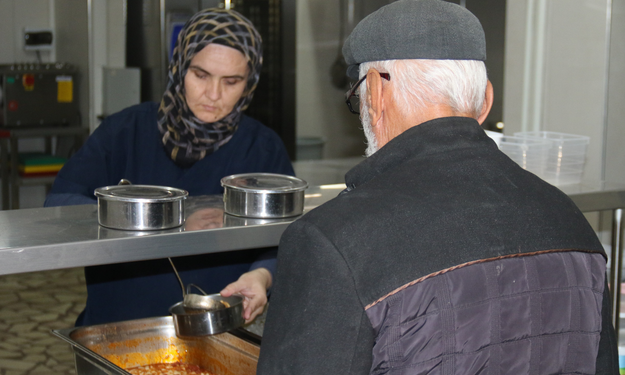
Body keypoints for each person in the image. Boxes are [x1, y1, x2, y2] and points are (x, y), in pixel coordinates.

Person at [257, 1, 619, 374]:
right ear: (485, 101)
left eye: (359, 96)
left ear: (377, 95)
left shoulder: (331, 241)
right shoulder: (571, 221)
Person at [44, 8, 293, 327]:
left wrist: (262, 275)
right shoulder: (125, 132)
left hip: (217, 330)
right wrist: (135, 215)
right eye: (201, 75)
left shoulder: (263, 148)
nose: (213, 95)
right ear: (178, 67)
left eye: (231, 81)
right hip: (119, 324)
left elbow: (288, 235)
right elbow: (60, 204)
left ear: (250, 83)